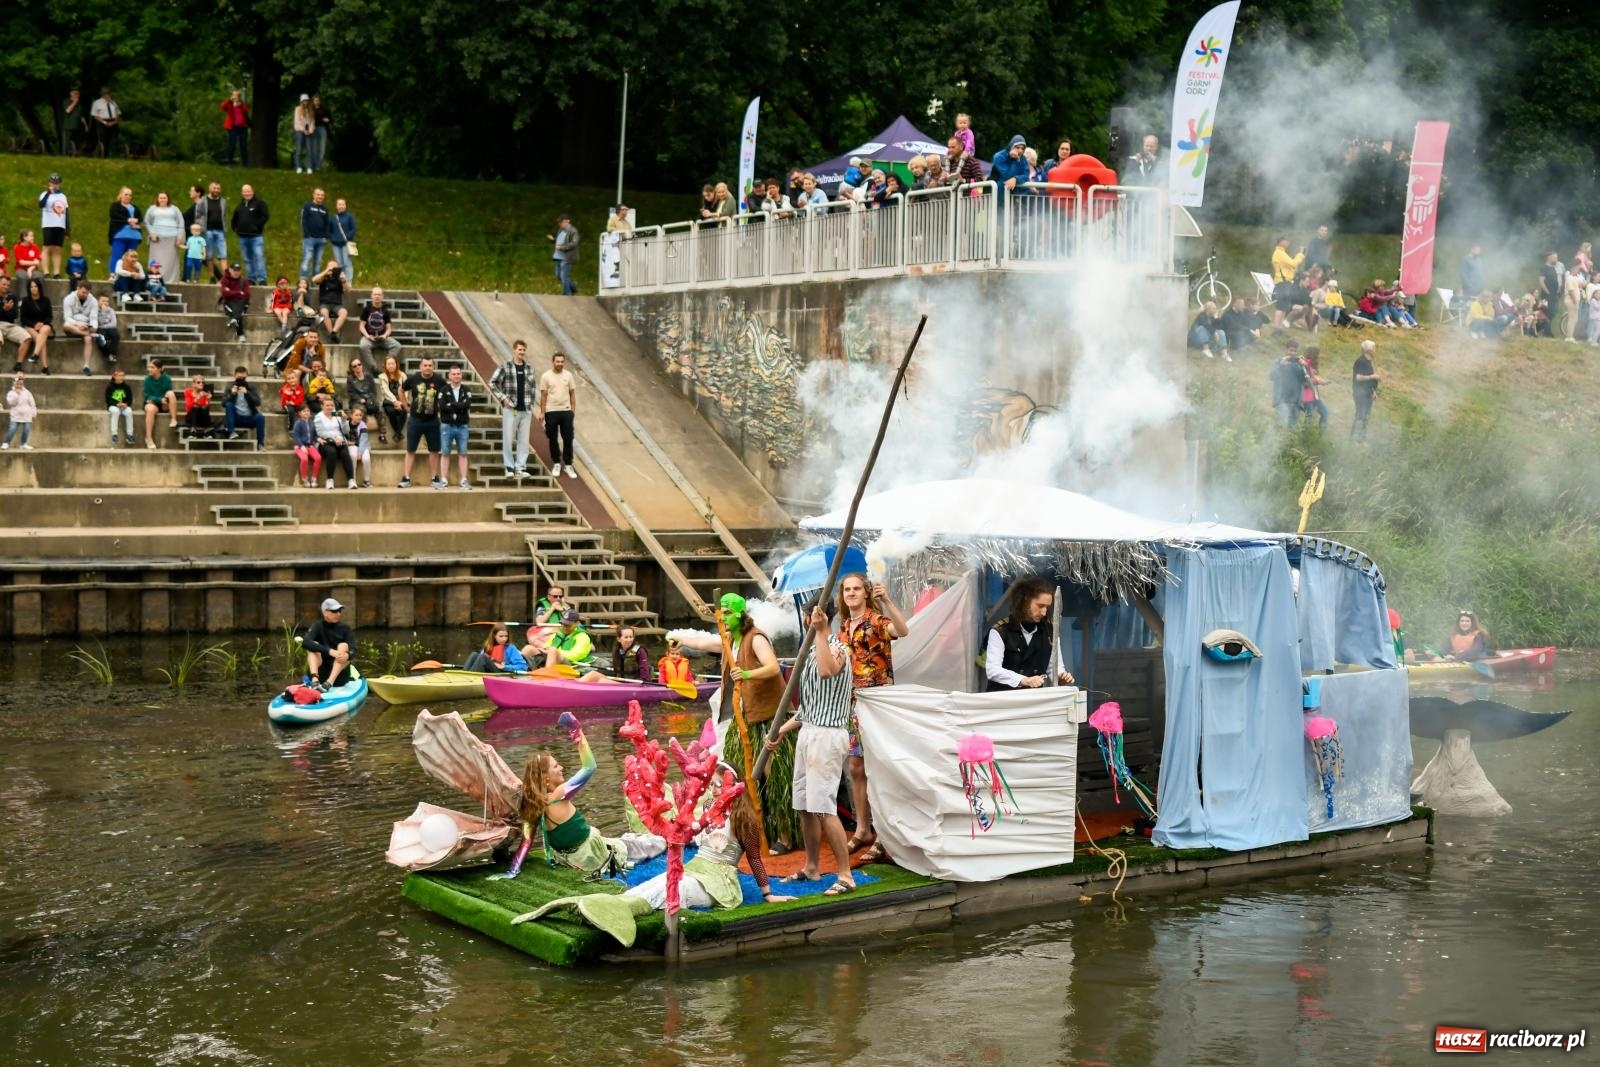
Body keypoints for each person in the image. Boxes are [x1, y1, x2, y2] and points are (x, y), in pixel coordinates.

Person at [677, 593, 795, 853]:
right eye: (722, 613)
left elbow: (773, 667)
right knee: (742, 775)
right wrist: (678, 638)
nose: (724, 617)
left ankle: (786, 837)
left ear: (740, 613)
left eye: (728, 612)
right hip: (744, 719)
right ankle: (755, 829)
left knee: (773, 776)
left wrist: (747, 673)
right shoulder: (730, 639)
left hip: (768, 718)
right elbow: (702, 642)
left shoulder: (757, 638)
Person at [764, 597, 856, 894]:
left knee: (824, 807)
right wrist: (782, 730)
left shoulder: (838, 648)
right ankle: (813, 867)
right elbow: (807, 708)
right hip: (809, 732)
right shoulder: (810, 651)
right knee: (804, 805)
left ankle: (845, 875)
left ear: (811, 618)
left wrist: (821, 630)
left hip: (829, 736)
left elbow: (829, 671)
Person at [492, 714, 631, 878]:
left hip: (567, 859)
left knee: (599, 832)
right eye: (556, 766)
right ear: (546, 778)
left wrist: (512, 871)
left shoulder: (533, 806)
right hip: (588, 856)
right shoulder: (560, 795)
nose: (562, 767)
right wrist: (578, 734)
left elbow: (526, 842)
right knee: (645, 844)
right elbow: (590, 767)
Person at [836, 573, 909, 860]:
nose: (851, 593)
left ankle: (884, 834)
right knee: (856, 766)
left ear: (865, 593)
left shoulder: (875, 620)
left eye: (856, 589)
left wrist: (887, 601)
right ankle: (862, 829)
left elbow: (902, 631)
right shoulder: (843, 627)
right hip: (854, 704)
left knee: (879, 768)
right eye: (847, 590)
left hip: (879, 703)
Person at [984, 577, 1075, 691]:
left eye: (1047, 607)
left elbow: (1054, 668)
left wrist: (1061, 676)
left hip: (1033, 700)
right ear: (1025, 601)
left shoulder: (1050, 631)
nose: (1044, 612)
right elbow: (993, 670)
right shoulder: (1001, 630)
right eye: (1040, 606)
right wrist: (1024, 680)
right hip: (1003, 700)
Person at [490, 339, 536, 476]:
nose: (522, 352)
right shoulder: (506, 366)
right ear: (514, 350)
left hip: (526, 410)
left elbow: (533, 387)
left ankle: (520, 467)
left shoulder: (529, 368)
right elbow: (492, 382)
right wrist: (503, 398)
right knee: (509, 438)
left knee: (524, 440)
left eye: (523, 350)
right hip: (511, 409)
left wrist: (531, 403)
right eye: (519, 349)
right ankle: (509, 467)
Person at [398, 356, 444, 489]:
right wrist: (405, 405)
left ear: (433, 367)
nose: (427, 367)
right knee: (410, 449)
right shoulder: (413, 378)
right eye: (425, 365)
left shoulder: (439, 380)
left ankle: (435, 478)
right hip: (415, 420)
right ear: (420, 366)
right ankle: (406, 477)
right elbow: (401, 390)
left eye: (430, 365)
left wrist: (441, 407)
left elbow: (446, 393)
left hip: (433, 421)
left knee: (434, 450)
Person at [540, 350, 577, 478]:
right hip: (551, 411)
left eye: (562, 362)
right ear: (553, 362)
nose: (560, 364)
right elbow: (543, 395)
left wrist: (572, 410)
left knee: (568, 438)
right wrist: (542, 412)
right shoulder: (546, 376)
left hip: (566, 411)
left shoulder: (569, 375)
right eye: (557, 361)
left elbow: (572, 393)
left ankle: (568, 465)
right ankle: (556, 462)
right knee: (552, 438)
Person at [303, 597, 354, 688]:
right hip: (321, 674)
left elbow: (354, 649)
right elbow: (305, 643)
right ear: (325, 612)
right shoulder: (317, 626)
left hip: (339, 678)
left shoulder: (346, 628)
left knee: (343, 646)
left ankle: (329, 683)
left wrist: (348, 655)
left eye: (339, 611)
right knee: (313, 644)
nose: (338, 614)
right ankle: (315, 681)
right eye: (334, 611)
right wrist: (330, 651)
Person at [438, 364, 473, 489]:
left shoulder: (466, 390)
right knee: (445, 453)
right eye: (454, 374)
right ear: (449, 375)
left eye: (458, 374)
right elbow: (442, 406)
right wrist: (458, 405)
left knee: (463, 453)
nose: (456, 376)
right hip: (447, 426)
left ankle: (463, 480)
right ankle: (444, 480)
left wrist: (451, 404)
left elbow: (466, 405)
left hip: (462, 426)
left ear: (461, 375)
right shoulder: (443, 390)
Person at [313, 394, 357, 489]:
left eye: (331, 405)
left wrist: (344, 420)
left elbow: (346, 431)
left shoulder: (337, 416)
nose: (330, 407)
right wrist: (333, 438)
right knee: (331, 452)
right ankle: (329, 480)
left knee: (345, 453)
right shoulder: (319, 417)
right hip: (325, 442)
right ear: (322, 406)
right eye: (327, 405)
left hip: (339, 441)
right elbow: (320, 432)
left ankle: (351, 480)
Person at [232, 185, 270, 285]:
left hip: (256, 237)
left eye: (248, 191)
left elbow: (265, 215)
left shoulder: (259, 203)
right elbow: (234, 219)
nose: (247, 193)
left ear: (252, 192)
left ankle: (262, 279)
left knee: (259, 257)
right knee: (247, 259)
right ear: (242, 193)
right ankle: (251, 279)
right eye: (244, 192)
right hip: (242, 237)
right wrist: (235, 228)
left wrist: (257, 226)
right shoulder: (240, 206)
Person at [144, 192, 184, 284]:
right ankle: (154, 279)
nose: (162, 199)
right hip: (157, 239)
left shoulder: (175, 209)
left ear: (168, 199)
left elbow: (181, 222)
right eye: (161, 198)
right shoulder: (152, 209)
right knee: (156, 260)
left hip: (172, 238)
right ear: (157, 199)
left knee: (171, 261)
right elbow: (147, 222)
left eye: (164, 198)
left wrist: (179, 237)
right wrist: (152, 233)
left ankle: (171, 280)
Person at [224, 366, 266, 450]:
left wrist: (247, 393)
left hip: (249, 418)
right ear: (234, 376)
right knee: (229, 405)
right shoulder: (230, 386)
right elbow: (223, 403)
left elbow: (258, 402)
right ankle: (231, 432)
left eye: (243, 378)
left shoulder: (251, 387)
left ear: (246, 376)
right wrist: (232, 394)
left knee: (260, 417)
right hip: (235, 418)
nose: (241, 380)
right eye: (239, 378)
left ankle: (260, 444)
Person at [62, 281, 99, 375]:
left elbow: (94, 318)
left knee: (88, 339)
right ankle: (86, 334)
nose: (85, 294)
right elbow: (67, 317)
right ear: (78, 288)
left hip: (85, 325)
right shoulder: (68, 299)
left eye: (87, 293)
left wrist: (93, 327)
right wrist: (77, 324)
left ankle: (86, 366)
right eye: (83, 292)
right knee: (66, 326)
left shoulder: (93, 301)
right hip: (73, 325)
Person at [357, 286, 399, 370]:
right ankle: (374, 368)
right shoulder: (366, 309)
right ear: (371, 296)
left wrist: (385, 335)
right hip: (369, 337)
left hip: (382, 338)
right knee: (363, 346)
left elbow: (389, 328)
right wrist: (367, 336)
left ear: (382, 296)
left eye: (379, 295)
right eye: (375, 294)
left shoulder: (385, 310)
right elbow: (361, 326)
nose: (377, 296)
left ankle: (387, 365)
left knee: (396, 345)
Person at [463, 624, 530, 673]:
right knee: (474, 654)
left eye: (506, 636)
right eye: (501, 636)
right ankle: (465, 674)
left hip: (501, 673)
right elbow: (478, 662)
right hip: (487, 671)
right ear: (494, 636)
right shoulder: (488, 647)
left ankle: (471, 679)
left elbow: (523, 666)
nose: (504, 639)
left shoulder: (511, 648)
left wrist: (504, 667)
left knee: (483, 658)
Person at [141, 357, 177, 449]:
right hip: (152, 402)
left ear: (159, 369)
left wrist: (164, 400)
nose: (150, 369)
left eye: (152, 367)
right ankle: (148, 438)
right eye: (149, 367)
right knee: (151, 409)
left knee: (171, 393)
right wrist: (158, 400)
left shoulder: (167, 379)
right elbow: (147, 396)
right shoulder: (147, 380)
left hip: (164, 402)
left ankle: (173, 419)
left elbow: (168, 392)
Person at [0, 278, 34, 372]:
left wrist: (4, 311)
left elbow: (14, 315)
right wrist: (5, 309)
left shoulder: (12, 297)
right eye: (4, 284)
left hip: (10, 325)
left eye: (8, 285)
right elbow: (8, 313)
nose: (6, 287)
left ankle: (18, 364)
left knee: (27, 338)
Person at [20, 278, 53, 374]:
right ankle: (45, 367)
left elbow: (50, 317)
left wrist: (42, 324)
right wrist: (34, 325)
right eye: (31, 287)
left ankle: (35, 354)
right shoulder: (25, 301)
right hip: (29, 326)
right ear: (29, 289)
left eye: (35, 286)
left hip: (43, 325)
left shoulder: (46, 300)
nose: (33, 289)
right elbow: (23, 319)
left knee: (46, 329)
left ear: (39, 288)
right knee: (41, 339)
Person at [39, 174, 69, 279]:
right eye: (52, 183)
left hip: (60, 225)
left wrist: (67, 227)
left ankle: (56, 272)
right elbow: (41, 205)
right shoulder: (44, 194)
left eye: (56, 183)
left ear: (60, 184)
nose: (54, 185)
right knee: (47, 247)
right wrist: (48, 193)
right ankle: (46, 271)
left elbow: (66, 212)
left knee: (57, 249)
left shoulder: (63, 196)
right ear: (49, 183)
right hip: (48, 224)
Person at [1351, 339, 1380, 442]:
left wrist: (1374, 392)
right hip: (1360, 394)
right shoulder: (1360, 361)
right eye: (1374, 348)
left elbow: (1369, 381)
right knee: (1360, 415)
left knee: (1366, 417)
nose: (1375, 351)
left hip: (1367, 394)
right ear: (1369, 350)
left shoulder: (1369, 362)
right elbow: (1358, 378)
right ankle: (1353, 438)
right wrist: (1373, 376)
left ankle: (1361, 439)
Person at [198, 182, 229, 281]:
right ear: (210, 188)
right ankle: (212, 277)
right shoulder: (203, 201)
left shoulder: (223, 201)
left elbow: (224, 216)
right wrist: (200, 227)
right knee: (209, 256)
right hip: (207, 231)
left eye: (218, 188)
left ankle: (226, 278)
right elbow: (197, 215)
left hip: (220, 231)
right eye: (214, 188)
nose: (216, 190)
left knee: (223, 255)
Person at [314, 260, 349, 343]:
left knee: (344, 313)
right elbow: (314, 280)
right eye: (331, 267)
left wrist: (344, 280)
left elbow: (348, 290)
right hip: (325, 303)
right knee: (324, 313)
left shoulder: (340, 278)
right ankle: (331, 334)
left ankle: (334, 332)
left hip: (337, 304)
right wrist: (326, 272)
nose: (332, 269)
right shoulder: (323, 277)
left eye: (334, 268)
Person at [1271, 342, 1305, 428]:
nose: (1293, 353)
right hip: (1282, 401)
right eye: (1291, 350)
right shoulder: (1278, 361)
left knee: (1292, 432)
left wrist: (1304, 367)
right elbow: (1271, 375)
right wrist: (1281, 365)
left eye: (1295, 351)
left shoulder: (1299, 364)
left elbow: (1306, 380)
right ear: (1286, 350)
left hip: (1296, 402)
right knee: (1281, 429)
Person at [300, 188, 332, 280]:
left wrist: (325, 236)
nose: (320, 197)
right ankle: (303, 281)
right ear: (313, 195)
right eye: (318, 194)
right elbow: (303, 220)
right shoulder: (307, 206)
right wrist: (306, 234)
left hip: (321, 239)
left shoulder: (325, 209)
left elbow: (327, 223)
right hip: (310, 238)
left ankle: (315, 281)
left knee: (318, 262)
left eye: (322, 195)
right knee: (307, 259)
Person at [107, 188, 142, 270]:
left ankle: (128, 272)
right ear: (121, 195)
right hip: (120, 235)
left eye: (130, 195)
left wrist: (136, 221)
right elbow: (114, 216)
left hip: (134, 236)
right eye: (126, 194)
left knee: (131, 257)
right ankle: (113, 273)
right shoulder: (115, 206)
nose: (128, 196)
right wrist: (128, 220)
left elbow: (140, 218)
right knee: (117, 255)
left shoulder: (135, 207)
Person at [377, 353, 406, 445]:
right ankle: (398, 433)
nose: (390, 366)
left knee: (404, 411)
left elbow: (405, 390)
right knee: (392, 412)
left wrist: (401, 402)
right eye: (388, 364)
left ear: (396, 364)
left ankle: (397, 434)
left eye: (392, 363)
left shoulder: (402, 375)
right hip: (388, 401)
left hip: (401, 400)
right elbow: (385, 391)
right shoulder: (382, 376)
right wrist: (394, 401)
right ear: (385, 366)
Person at [3, 372, 36, 450]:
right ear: (14, 384)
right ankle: (6, 443)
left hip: (26, 416)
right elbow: (11, 403)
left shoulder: (27, 393)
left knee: (26, 430)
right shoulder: (11, 393)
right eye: (17, 384)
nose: (19, 386)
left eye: (20, 384)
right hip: (15, 415)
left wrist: (34, 413)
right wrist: (16, 394)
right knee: (12, 429)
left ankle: (23, 443)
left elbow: (32, 403)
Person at [1299, 347, 1330, 428]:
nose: (1319, 358)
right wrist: (1317, 381)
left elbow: (1315, 378)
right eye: (1318, 356)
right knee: (1309, 418)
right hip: (1306, 397)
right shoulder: (1304, 364)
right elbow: (1303, 382)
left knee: (1325, 413)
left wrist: (1322, 381)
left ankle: (1320, 436)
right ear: (1313, 355)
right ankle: (1304, 438)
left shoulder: (1311, 365)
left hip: (1315, 396)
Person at [549, 214, 580, 296]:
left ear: (566, 222)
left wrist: (561, 247)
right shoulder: (560, 230)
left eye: (560, 222)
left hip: (567, 257)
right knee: (558, 275)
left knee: (564, 276)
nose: (559, 224)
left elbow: (574, 243)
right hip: (558, 256)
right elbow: (559, 242)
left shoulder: (573, 231)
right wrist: (553, 240)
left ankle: (566, 293)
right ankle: (574, 289)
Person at [290, 404, 321, 486]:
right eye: (304, 411)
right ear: (300, 413)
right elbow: (296, 436)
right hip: (300, 446)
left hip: (310, 446)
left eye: (307, 411)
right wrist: (302, 446)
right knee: (304, 459)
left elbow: (314, 435)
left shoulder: (311, 423)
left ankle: (314, 478)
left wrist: (318, 439)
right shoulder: (298, 423)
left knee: (318, 458)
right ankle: (304, 479)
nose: (306, 413)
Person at [345, 359, 378, 431]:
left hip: (369, 400)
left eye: (359, 364)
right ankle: (361, 431)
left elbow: (373, 391)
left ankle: (382, 434)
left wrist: (368, 399)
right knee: (361, 411)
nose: (357, 367)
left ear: (362, 365)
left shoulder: (369, 376)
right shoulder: (350, 379)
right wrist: (359, 399)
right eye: (354, 366)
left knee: (380, 409)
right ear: (352, 368)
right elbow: (351, 393)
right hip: (356, 401)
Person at [219, 264, 250, 340]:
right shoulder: (225, 279)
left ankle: (234, 319)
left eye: (238, 270)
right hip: (229, 304)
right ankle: (240, 334)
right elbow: (225, 293)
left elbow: (247, 294)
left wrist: (232, 293)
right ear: (230, 270)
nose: (236, 272)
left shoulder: (244, 281)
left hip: (241, 303)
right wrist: (239, 293)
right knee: (238, 310)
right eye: (234, 270)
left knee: (240, 303)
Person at [105, 367, 135, 446]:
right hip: (113, 406)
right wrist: (116, 404)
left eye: (123, 375)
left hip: (123, 406)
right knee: (116, 411)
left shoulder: (127, 387)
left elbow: (130, 399)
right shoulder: (110, 387)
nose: (122, 377)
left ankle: (130, 435)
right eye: (120, 375)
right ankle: (114, 434)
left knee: (129, 411)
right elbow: (108, 400)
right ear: (114, 376)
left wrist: (126, 404)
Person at [220, 90, 251, 166]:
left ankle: (245, 164)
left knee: (243, 145)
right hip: (233, 127)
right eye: (233, 95)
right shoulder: (230, 104)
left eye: (236, 95)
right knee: (232, 145)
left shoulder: (242, 105)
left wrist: (239, 104)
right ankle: (229, 163)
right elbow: (222, 106)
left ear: (239, 97)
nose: (235, 97)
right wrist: (229, 100)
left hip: (243, 127)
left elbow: (246, 111)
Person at [330, 198, 357, 279]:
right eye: (339, 204)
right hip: (335, 244)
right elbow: (329, 230)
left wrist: (346, 237)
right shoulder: (333, 218)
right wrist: (333, 238)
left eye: (343, 204)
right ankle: (341, 281)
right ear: (336, 206)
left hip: (347, 243)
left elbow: (353, 229)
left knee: (347, 263)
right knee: (339, 264)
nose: (341, 206)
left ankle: (348, 282)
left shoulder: (349, 216)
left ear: (345, 206)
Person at [181, 374, 214, 440]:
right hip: (191, 417)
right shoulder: (188, 392)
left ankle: (206, 431)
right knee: (195, 407)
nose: (201, 384)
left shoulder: (205, 393)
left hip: (202, 417)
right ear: (193, 384)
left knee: (204, 408)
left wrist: (208, 399)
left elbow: (206, 408)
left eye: (203, 382)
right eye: (198, 382)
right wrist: (198, 398)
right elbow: (189, 406)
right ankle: (193, 431)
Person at [90, 87, 121, 157]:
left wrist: (114, 122)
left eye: (109, 94)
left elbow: (118, 114)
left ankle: (114, 155)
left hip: (113, 121)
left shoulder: (113, 103)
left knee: (114, 140)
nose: (108, 96)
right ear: (103, 95)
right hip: (102, 122)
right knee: (104, 140)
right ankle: (103, 155)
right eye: (106, 94)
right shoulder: (97, 103)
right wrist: (105, 122)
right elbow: (95, 115)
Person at [93, 295, 122, 368]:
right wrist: (103, 312)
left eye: (107, 301)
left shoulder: (111, 311)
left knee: (116, 335)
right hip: (100, 329)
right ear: (98, 301)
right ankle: (108, 354)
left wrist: (103, 326)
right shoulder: (95, 311)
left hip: (110, 328)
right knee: (100, 338)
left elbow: (114, 323)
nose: (105, 303)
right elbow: (98, 322)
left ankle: (112, 354)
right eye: (103, 301)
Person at [292, 95, 315, 174]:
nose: (305, 102)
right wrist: (303, 130)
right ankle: (298, 167)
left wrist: (310, 130)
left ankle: (309, 167)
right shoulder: (297, 109)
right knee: (298, 149)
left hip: (308, 132)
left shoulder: (310, 110)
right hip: (299, 131)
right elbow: (297, 122)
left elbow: (312, 122)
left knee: (309, 150)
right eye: (304, 100)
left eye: (307, 100)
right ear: (301, 101)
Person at [311, 94, 332, 172]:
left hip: (322, 129)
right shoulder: (311, 110)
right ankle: (313, 166)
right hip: (313, 129)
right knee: (314, 148)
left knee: (322, 149)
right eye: (315, 100)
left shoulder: (324, 109)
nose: (317, 102)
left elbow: (331, 119)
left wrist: (328, 120)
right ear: (313, 101)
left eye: (318, 100)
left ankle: (318, 167)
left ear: (320, 101)